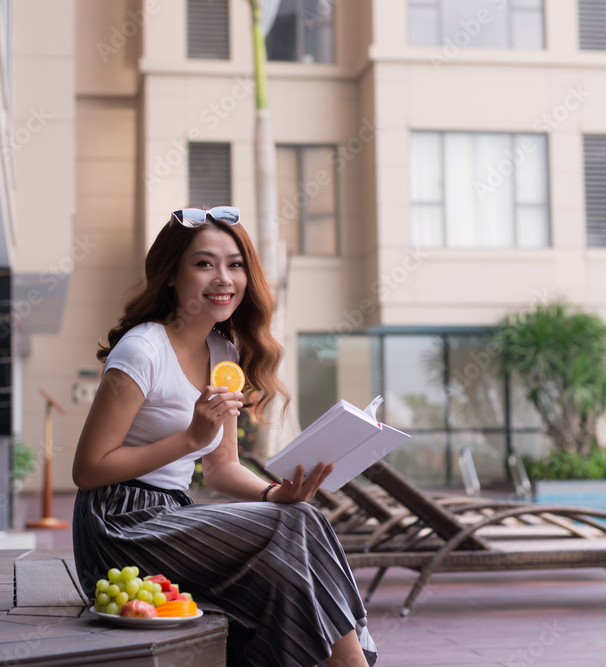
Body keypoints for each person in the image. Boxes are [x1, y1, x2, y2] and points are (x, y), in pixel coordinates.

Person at [71, 207, 377, 667]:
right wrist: (191, 438)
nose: (223, 278)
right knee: (298, 531)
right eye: (203, 263)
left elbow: (222, 468)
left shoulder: (223, 352)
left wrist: (275, 493)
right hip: (118, 525)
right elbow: (88, 469)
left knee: (298, 526)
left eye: (235, 264)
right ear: (171, 275)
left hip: (174, 515)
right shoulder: (142, 349)